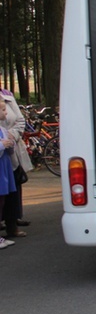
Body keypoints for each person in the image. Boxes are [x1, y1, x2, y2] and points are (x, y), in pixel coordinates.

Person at [1, 89, 33, 232]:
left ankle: (12, 221)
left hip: (11, 148)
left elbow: (20, 120)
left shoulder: (7, 95)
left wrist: (12, 135)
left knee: (13, 185)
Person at [0, 101, 17, 249]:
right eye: (4, 110)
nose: (6, 113)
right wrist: (2, 145)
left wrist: (11, 144)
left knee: (2, 201)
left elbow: (10, 150)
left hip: (4, 168)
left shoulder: (2, 129)